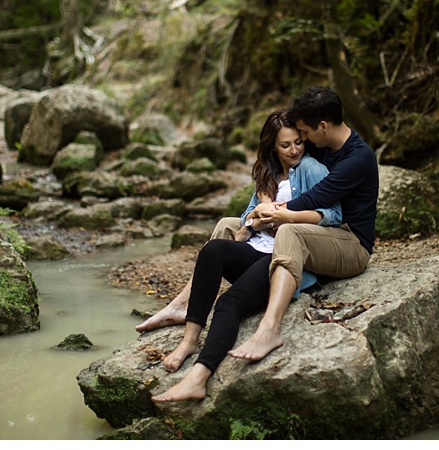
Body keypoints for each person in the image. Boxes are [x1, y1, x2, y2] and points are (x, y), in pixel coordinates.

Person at [146, 110, 342, 402]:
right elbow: (247, 215)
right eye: (285, 145)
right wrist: (256, 220)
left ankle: (198, 378)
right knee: (212, 251)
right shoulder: (268, 172)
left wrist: (286, 217)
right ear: (272, 147)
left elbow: (334, 215)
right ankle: (189, 341)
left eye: (298, 142)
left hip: (282, 262)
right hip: (256, 248)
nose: (294, 150)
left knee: (228, 304)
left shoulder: (312, 169)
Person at [228, 86, 379, 362]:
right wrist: (263, 205)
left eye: (305, 134)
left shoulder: (358, 158)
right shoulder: (320, 145)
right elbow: (275, 160)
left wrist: (273, 213)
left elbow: (316, 197)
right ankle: (187, 302)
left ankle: (270, 327)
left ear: (322, 126)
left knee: (289, 230)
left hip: (351, 243)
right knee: (229, 224)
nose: (301, 142)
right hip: (320, 232)